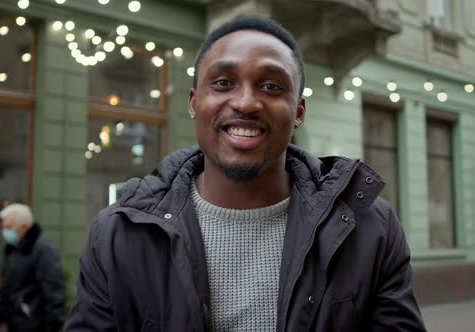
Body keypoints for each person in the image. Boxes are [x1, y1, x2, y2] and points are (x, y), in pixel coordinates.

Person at [66, 16, 426, 331]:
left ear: (298, 111)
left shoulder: (369, 229)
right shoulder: (117, 236)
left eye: (271, 86)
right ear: (194, 103)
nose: (246, 103)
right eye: (223, 83)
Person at [0, 203, 65, 332]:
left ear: (24, 227)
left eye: (8, 227)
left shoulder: (43, 249)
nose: (5, 232)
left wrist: (52, 327)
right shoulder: (12, 249)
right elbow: (5, 290)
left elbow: (54, 293)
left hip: (34, 326)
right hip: (14, 324)